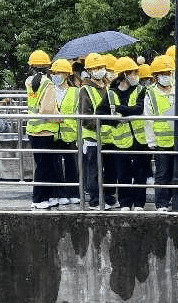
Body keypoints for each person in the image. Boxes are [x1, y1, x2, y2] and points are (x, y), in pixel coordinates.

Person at [104, 57, 148, 211]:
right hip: (120, 141)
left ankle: (139, 203)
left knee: (140, 172)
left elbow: (139, 108)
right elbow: (101, 114)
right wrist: (114, 121)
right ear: (123, 74)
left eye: (136, 72)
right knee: (123, 173)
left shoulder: (141, 90)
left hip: (139, 139)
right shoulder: (110, 93)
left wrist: (120, 109)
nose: (136, 75)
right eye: (133, 72)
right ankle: (125, 203)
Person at [144, 55, 178, 211]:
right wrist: (151, 141)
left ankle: (177, 203)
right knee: (162, 174)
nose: (167, 76)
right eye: (163, 73)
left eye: (169, 72)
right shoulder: (151, 93)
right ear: (156, 76)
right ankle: (161, 203)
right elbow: (148, 119)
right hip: (161, 142)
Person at [77, 53, 116, 209]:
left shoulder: (108, 88)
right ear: (89, 71)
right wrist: (102, 122)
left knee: (111, 170)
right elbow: (84, 117)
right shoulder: (85, 90)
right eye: (95, 68)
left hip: (110, 137)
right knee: (93, 170)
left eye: (101, 67)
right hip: (93, 137)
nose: (99, 70)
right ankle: (94, 200)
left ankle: (109, 197)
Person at [26, 50, 59, 209]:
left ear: (31, 66)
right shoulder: (47, 83)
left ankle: (47, 196)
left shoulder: (29, 81)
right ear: (48, 66)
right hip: (45, 130)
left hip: (33, 129)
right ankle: (38, 199)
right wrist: (59, 116)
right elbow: (47, 109)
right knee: (44, 166)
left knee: (44, 165)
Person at [50, 58, 82, 205]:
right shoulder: (49, 90)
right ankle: (59, 193)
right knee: (55, 166)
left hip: (70, 134)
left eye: (58, 73)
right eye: (54, 72)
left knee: (72, 166)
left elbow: (78, 112)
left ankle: (74, 192)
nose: (55, 75)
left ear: (66, 74)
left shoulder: (75, 92)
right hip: (54, 133)